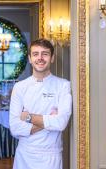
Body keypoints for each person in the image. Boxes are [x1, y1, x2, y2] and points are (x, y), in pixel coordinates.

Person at [9, 38, 72, 169]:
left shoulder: (63, 85)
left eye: (45, 54)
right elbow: (14, 128)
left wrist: (28, 117)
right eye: (35, 54)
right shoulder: (20, 87)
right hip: (24, 155)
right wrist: (49, 120)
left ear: (52, 58)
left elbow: (61, 123)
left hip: (51, 156)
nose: (40, 58)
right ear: (30, 59)